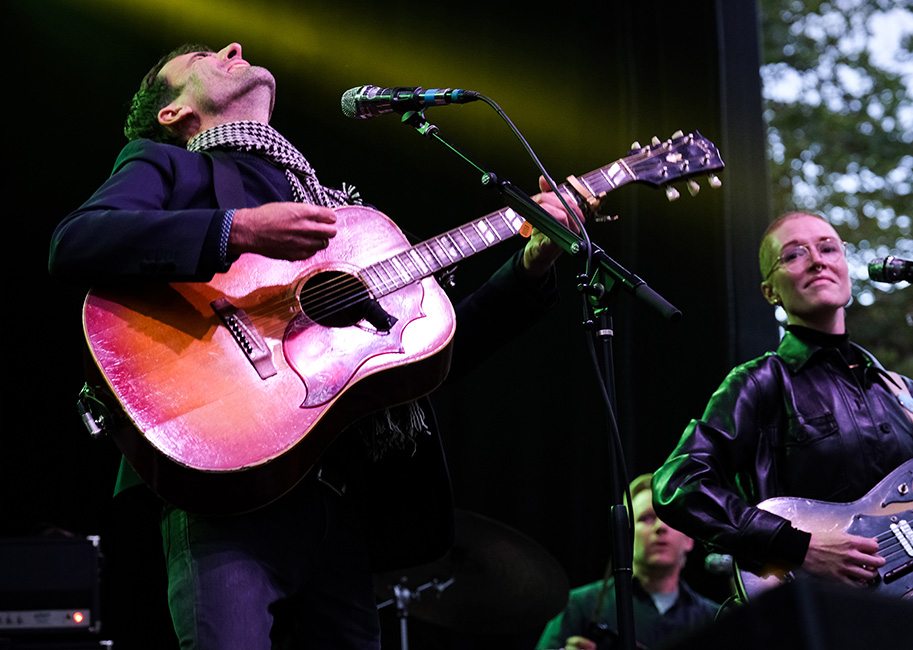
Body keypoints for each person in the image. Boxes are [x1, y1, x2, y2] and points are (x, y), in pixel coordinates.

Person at [49, 42, 580, 649]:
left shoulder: (334, 211)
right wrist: (238, 228)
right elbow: (77, 242)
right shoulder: (171, 165)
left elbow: (421, 359)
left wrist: (531, 264)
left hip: (340, 499)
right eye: (202, 55)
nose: (233, 47)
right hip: (227, 482)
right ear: (172, 114)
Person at [652, 211, 913, 596]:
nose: (817, 259)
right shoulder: (759, 382)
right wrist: (797, 547)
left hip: (912, 622)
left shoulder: (909, 397)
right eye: (795, 254)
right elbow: (679, 484)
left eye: (828, 248)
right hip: (807, 613)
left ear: (844, 265)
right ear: (771, 291)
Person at [536, 474, 719, 650]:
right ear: (625, 536)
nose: (660, 527)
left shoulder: (715, 617)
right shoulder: (579, 605)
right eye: (646, 518)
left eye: (669, 519)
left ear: (689, 538)